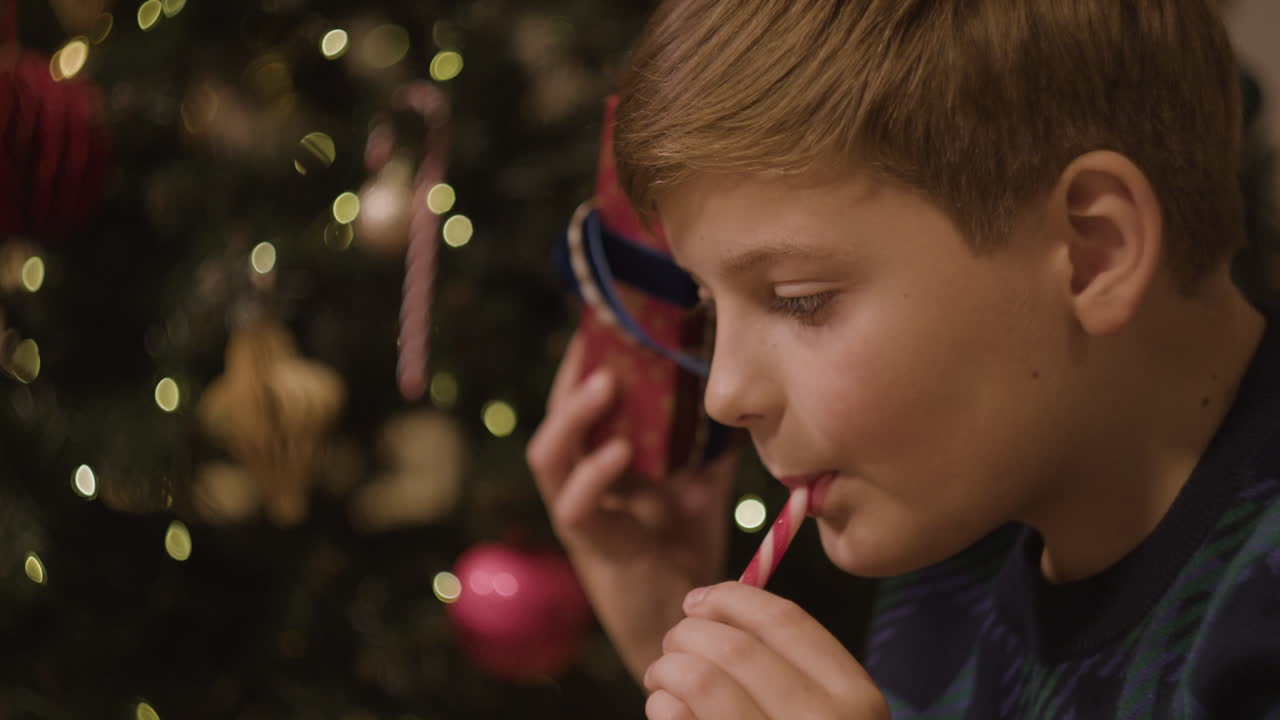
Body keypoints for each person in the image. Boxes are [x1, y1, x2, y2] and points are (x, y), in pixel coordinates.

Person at [526, 0, 1280, 717]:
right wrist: (679, 633)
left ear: (1092, 252)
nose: (724, 394)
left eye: (798, 298)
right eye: (708, 305)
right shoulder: (951, 546)